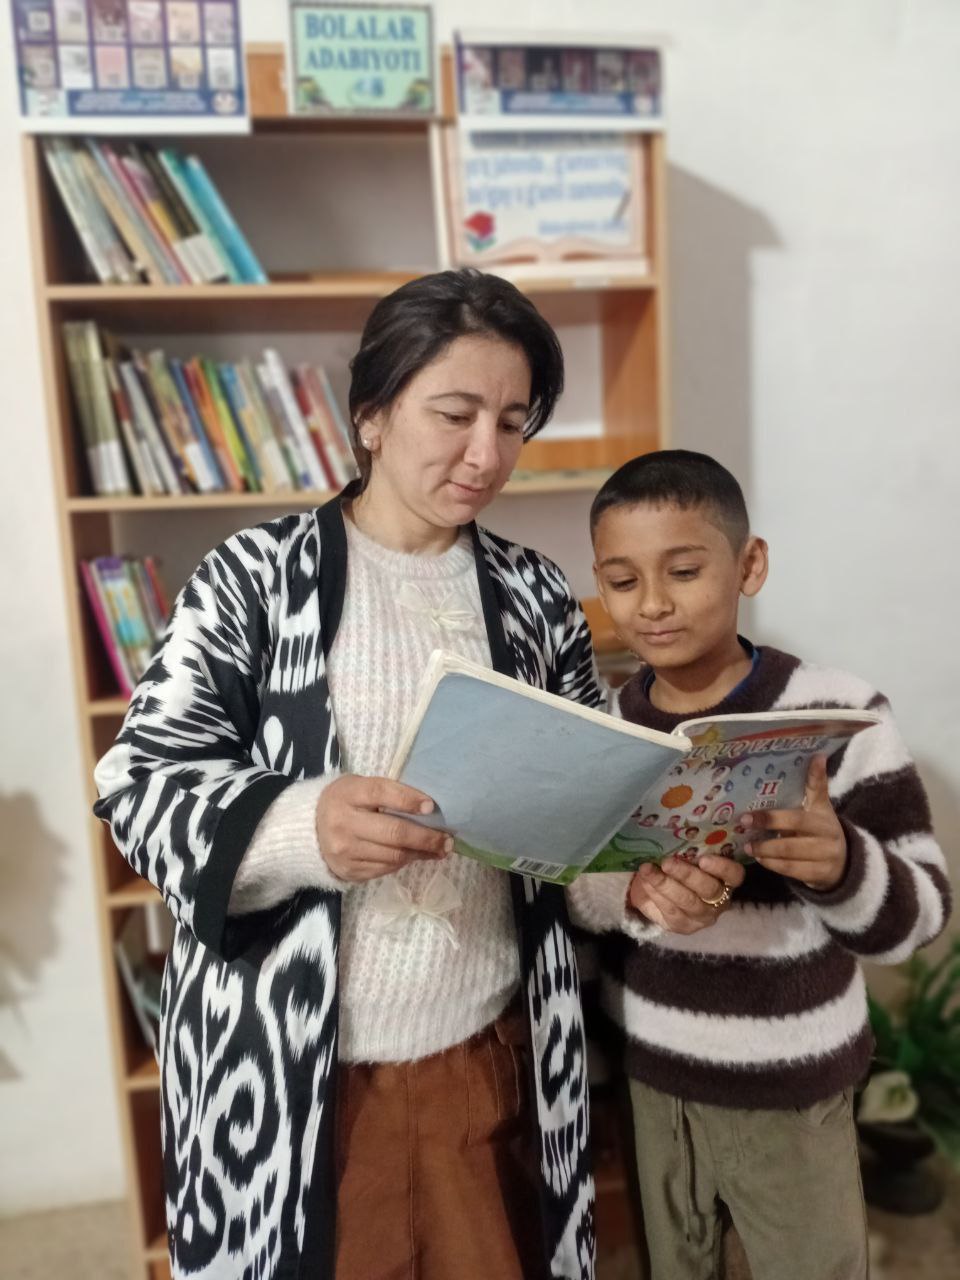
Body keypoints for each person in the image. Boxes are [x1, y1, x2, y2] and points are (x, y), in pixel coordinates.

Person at [92, 273, 743, 1280]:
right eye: (454, 414)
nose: (487, 454)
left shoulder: (536, 598)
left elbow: (574, 830)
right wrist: (304, 825)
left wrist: (639, 885)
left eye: (513, 423)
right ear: (372, 414)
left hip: (491, 1051)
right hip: (294, 1077)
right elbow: (141, 783)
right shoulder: (253, 579)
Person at [567, 449, 951, 1280]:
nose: (653, 603)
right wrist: (633, 894)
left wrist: (841, 865)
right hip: (651, 1082)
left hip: (791, 1089)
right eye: (623, 581)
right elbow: (576, 896)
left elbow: (922, 914)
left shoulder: (840, 714)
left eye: (684, 571)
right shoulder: (606, 727)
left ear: (749, 565)